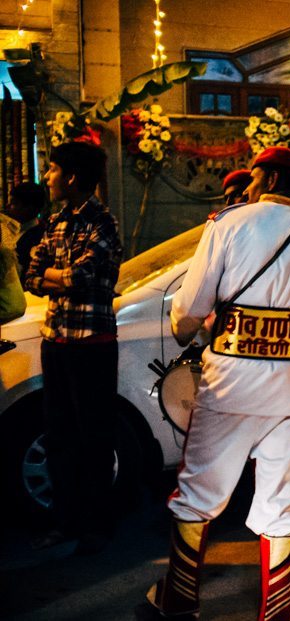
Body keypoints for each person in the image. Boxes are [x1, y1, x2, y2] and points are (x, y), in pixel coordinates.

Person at [143, 146, 290, 621]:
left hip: (230, 382)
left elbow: (189, 308)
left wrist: (185, 329)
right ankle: (279, 611)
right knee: (285, 501)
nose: (246, 188)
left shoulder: (228, 225)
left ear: (268, 178)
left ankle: (180, 600)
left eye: (252, 178)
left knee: (199, 493)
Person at [25, 142, 123, 554]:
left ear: (72, 177)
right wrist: (56, 276)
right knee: (60, 434)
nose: (46, 178)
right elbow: (31, 274)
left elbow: (81, 277)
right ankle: (65, 521)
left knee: (94, 437)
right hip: (57, 341)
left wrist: (56, 276)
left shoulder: (102, 222)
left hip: (92, 346)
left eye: (51, 170)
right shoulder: (55, 221)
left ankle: (97, 525)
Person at [5, 182, 46, 282]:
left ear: (29, 208)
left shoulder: (40, 236)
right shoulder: (7, 228)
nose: (8, 206)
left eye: (14, 203)